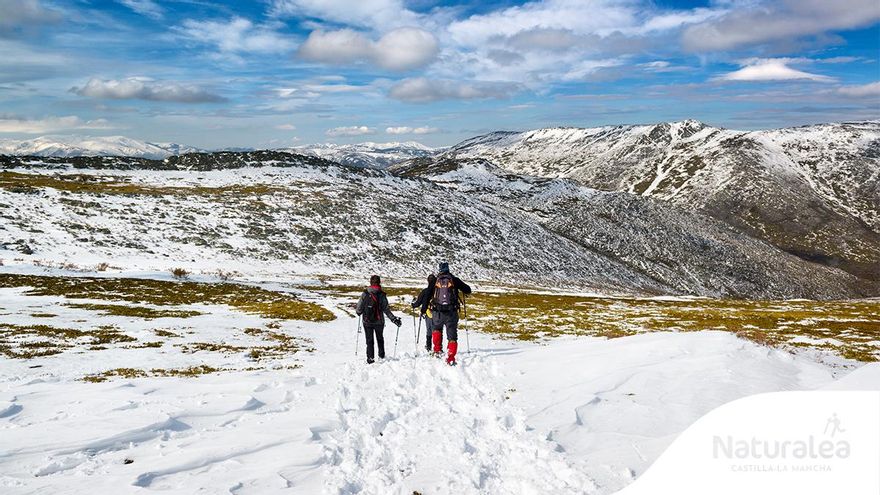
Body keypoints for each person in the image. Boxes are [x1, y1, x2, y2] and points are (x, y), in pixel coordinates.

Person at [430, 262, 472, 365]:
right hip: (451, 312)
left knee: (436, 329)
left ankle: (437, 351)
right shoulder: (454, 280)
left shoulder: (435, 280)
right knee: (452, 336)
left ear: (439, 270)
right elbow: (468, 290)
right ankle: (450, 358)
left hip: (437, 312)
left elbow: (428, 293)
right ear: (448, 269)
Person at [356, 275, 402, 364]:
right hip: (379, 321)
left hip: (367, 321)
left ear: (370, 282)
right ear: (379, 282)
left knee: (369, 340)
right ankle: (381, 356)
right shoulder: (381, 294)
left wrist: (359, 312)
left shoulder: (365, 293)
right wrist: (394, 319)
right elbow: (386, 309)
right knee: (380, 338)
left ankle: (370, 359)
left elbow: (359, 307)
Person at [411, 274, 437, 351]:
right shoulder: (438, 291)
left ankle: (428, 346)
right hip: (439, 313)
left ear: (428, 281)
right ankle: (438, 347)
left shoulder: (425, 291)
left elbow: (418, 302)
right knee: (437, 331)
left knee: (429, 330)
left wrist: (413, 305)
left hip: (428, 313)